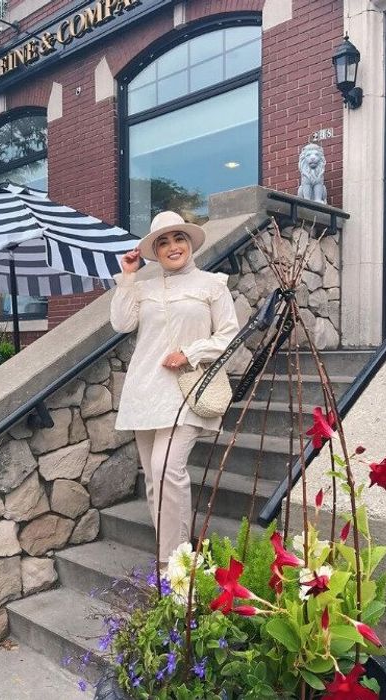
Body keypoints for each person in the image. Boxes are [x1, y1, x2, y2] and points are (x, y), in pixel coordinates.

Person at [110, 211, 239, 564]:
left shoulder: (213, 285)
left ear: (189, 243)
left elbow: (229, 336)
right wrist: (128, 277)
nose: (172, 247)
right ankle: (168, 556)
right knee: (153, 478)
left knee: (168, 469)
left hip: (187, 391)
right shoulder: (144, 288)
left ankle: (178, 562)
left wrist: (190, 352)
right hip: (145, 392)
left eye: (178, 238)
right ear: (156, 251)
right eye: (163, 242)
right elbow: (121, 323)